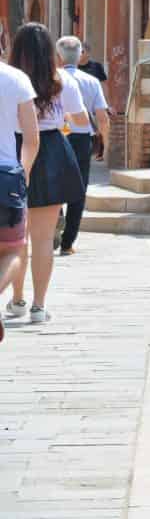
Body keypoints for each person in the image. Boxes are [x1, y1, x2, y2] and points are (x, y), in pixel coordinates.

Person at [5, 24, 86, 325]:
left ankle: (17, 300)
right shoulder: (61, 80)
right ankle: (39, 306)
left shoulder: (10, 79)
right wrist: (60, 114)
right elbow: (80, 118)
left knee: (16, 239)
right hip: (52, 150)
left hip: (13, 151)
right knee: (42, 238)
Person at [56, 36, 109, 256]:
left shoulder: (50, 79)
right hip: (81, 139)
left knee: (53, 183)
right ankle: (67, 243)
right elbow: (102, 118)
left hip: (54, 137)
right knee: (79, 188)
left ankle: (54, 222)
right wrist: (104, 142)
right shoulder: (91, 82)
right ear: (80, 56)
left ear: (59, 56)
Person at [0, 54, 34, 341]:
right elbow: (32, 139)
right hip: (5, 177)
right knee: (12, 250)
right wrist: (23, 174)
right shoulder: (15, 79)